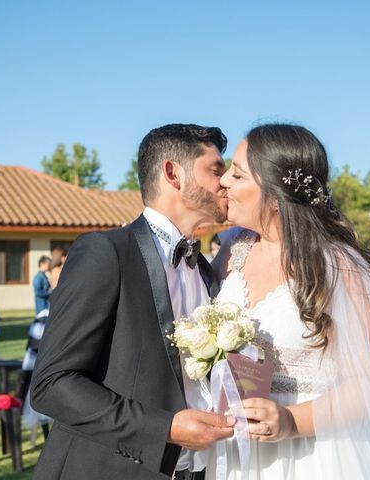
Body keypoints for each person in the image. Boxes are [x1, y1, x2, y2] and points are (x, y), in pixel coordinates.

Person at [211, 124, 370, 479]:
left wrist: (291, 421)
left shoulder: (337, 265)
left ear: (275, 196)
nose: (224, 181)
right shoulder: (230, 253)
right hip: (239, 450)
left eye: (237, 174)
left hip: (316, 452)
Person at [30, 124, 235, 480]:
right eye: (216, 170)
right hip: (109, 468)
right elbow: (52, 384)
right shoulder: (106, 252)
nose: (227, 181)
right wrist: (165, 428)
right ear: (173, 174)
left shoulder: (205, 269)